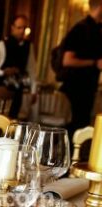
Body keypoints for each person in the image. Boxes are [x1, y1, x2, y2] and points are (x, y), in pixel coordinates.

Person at [61, 0, 102, 135]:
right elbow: (67, 60)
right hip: (76, 88)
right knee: (76, 127)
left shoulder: (97, 29)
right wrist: (94, 63)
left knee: (82, 125)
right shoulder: (81, 28)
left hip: (88, 88)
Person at [0, 15, 37, 118]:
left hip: (18, 90)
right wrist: (3, 72)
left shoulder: (29, 46)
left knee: (13, 118)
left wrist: (34, 90)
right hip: (1, 88)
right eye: (19, 28)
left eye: (24, 28)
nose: (22, 31)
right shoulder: (1, 45)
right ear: (12, 27)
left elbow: (32, 70)